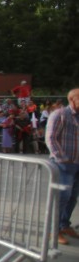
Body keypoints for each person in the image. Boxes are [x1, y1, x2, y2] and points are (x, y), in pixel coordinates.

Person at [45, 88, 79, 246]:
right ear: (73, 100)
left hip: (77, 164)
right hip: (64, 164)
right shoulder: (60, 114)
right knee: (62, 197)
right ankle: (54, 229)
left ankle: (64, 225)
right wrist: (62, 159)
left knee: (73, 197)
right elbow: (51, 138)